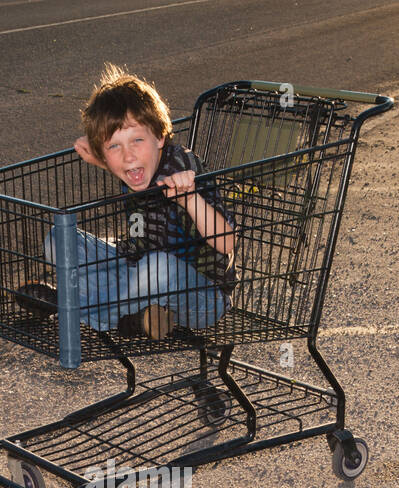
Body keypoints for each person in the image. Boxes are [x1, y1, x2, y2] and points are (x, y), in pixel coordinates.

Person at [18, 64, 237, 340]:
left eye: (136, 140)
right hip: (138, 275)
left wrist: (190, 198)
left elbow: (227, 242)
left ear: (159, 137)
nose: (128, 155)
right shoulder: (133, 168)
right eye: (114, 146)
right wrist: (100, 157)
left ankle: (74, 306)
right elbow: (133, 171)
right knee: (59, 237)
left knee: (158, 266)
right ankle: (139, 317)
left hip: (200, 295)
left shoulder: (184, 166)